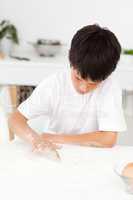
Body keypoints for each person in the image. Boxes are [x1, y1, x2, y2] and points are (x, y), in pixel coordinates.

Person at [8, 24, 126, 153]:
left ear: (107, 76)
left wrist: (54, 137)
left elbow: (108, 139)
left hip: (91, 154)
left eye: (93, 84)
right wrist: (35, 139)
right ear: (70, 57)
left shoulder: (110, 86)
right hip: (56, 152)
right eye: (78, 78)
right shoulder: (55, 84)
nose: (83, 88)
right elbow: (15, 120)